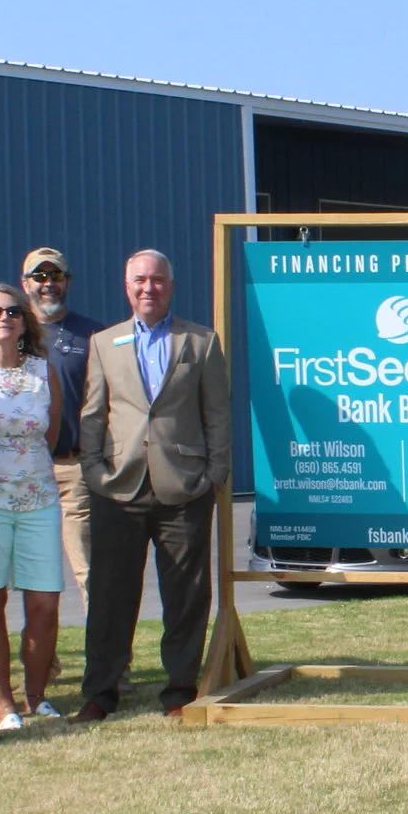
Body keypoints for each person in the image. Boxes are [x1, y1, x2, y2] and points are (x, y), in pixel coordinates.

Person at [77, 249, 229, 720]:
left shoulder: (200, 343)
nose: (149, 288)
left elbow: (217, 415)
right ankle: (100, 693)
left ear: (171, 286)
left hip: (183, 486)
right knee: (109, 595)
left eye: (158, 280)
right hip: (118, 488)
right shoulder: (104, 343)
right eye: (140, 280)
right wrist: (94, 472)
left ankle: (180, 689)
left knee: (185, 593)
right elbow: (92, 415)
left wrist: (213, 475)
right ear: (127, 287)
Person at [0, 282, 65, 727]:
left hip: (38, 497)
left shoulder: (44, 372)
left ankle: (36, 696)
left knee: (44, 602)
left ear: (25, 323)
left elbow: (52, 436)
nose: (4, 319)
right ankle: (3, 704)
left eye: (13, 312)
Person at [25, 246, 103, 673]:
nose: (47, 283)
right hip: (24, 472)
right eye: (39, 277)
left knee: (89, 572)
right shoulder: (9, 331)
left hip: (75, 469)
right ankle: (42, 665)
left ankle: (105, 664)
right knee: (36, 578)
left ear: (67, 281)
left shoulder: (92, 335)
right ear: (26, 285)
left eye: (56, 275)